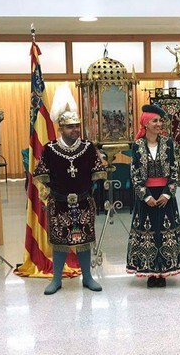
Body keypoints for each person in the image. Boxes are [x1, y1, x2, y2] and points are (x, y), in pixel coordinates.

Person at [33, 85, 106, 295]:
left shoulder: (88, 147)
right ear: (61, 129)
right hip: (60, 202)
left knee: (84, 241)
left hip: (83, 202)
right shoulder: (50, 150)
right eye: (70, 127)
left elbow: (98, 173)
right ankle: (56, 279)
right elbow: (41, 176)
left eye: (77, 126)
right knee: (60, 241)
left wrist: (89, 192)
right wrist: (50, 196)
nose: (75, 130)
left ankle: (88, 277)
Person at [126, 104, 180, 287]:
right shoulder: (137, 146)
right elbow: (135, 173)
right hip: (146, 198)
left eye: (160, 121)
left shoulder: (168, 143)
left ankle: (164, 272)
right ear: (145, 123)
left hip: (165, 197)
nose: (159, 124)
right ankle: (150, 273)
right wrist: (146, 196)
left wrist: (168, 194)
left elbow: (174, 170)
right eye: (155, 121)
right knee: (148, 234)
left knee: (165, 233)